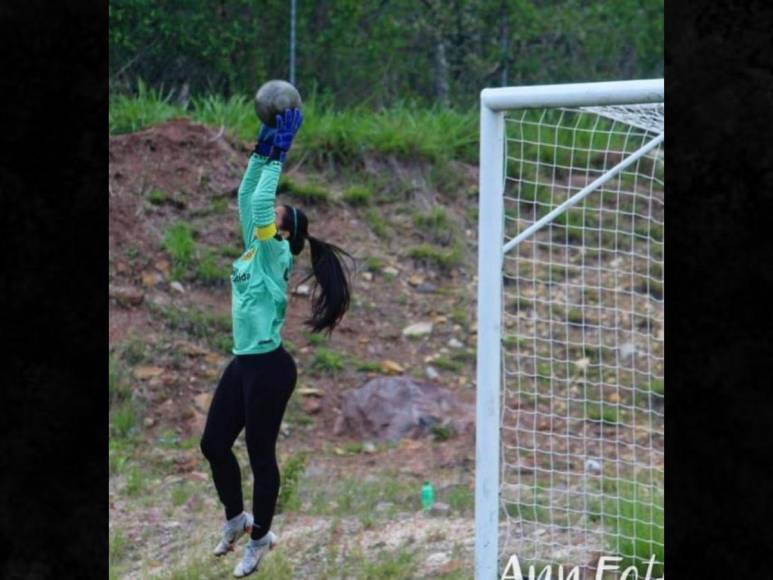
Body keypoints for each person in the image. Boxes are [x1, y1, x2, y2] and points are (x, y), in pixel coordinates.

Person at [199, 108, 352, 578]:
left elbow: (261, 201)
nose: (271, 209)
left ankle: (261, 534)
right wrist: (260, 149)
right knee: (213, 444)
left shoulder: (273, 250)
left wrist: (278, 153)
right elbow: (249, 194)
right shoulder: (255, 244)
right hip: (245, 363)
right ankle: (235, 519)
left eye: (280, 212)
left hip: (269, 367)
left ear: (285, 231)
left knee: (260, 455)